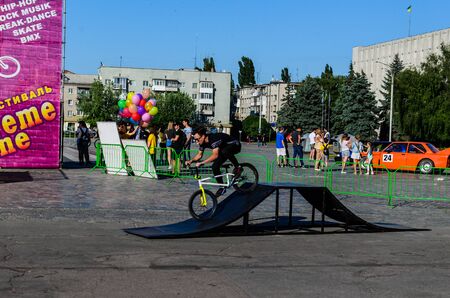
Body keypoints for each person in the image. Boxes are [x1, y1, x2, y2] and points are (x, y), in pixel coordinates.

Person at [186, 127, 242, 197]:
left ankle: (238, 167)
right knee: (214, 167)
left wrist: (202, 163)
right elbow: (199, 155)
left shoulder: (213, 139)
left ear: (203, 136)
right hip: (224, 149)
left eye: (197, 139)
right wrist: (191, 161)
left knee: (225, 151)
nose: (197, 142)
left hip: (235, 144)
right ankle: (222, 187)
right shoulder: (202, 143)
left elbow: (215, 156)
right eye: (195, 140)